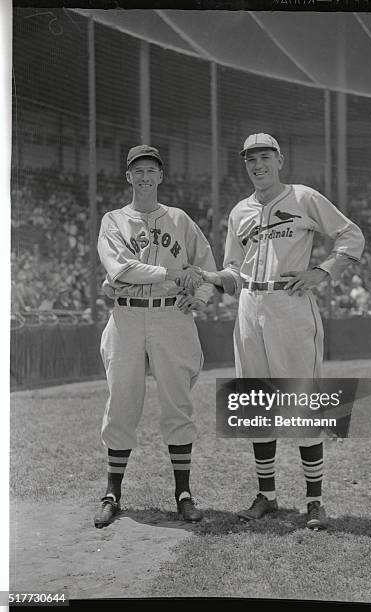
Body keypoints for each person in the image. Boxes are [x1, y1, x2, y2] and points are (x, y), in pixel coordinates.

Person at [193, 133, 364, 529]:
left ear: (280, 160)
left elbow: (351, 235)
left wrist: (322, 272)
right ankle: (266, 496)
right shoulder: (239, 212)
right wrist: (211, 278)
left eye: (265, 157)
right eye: (251, 159)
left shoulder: (303, 198)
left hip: (290, 304)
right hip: (250, 306)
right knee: (255, 401)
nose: (258, 165)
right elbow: (234, 272)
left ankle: (314, 502)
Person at [94, 144, 215, 528]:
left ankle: (183, 493)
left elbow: (206, 262)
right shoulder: (113, 220)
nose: (145, 177)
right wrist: (172, 274)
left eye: (152, 170)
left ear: (161, 176)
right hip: (127, 315)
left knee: (178, 403)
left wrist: (199, 295)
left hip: (170, 317)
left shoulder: (179, 219)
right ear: (128, 176)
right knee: (121, 403)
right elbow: (121, 270)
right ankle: (112, 492)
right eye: (138, 171)